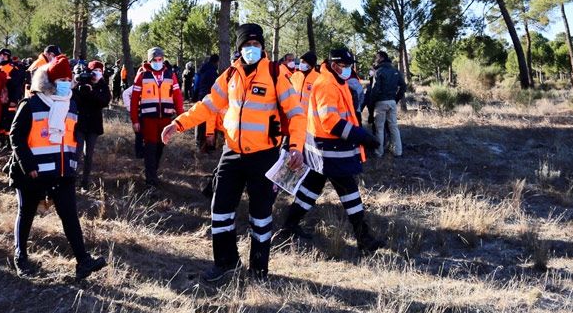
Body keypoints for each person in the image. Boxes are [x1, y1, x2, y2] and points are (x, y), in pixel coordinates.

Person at [161, 23, 306, 283]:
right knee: (220, 210)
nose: (252, 49)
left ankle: (259, 271)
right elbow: (208, 105)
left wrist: (295, 146)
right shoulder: (229, 75)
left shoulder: (276, 74)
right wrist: (178, 123)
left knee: (260, 216)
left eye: (256, 45)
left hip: (264, 155)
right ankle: (226, 263)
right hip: (232, 154)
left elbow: (295, 113)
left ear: (262, 47)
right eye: (247, 45)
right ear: (239, 48)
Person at [7, 55, 107, 280]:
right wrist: (28, 164)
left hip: (62, 172)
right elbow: (16, 136)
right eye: (60, 78)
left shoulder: (71, 103)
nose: (65, 82)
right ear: (49, 81)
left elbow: (70, 138)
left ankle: (83, 262)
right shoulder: (31, 103)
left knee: (70, 216)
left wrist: (71, 165)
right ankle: (21, 259)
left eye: (67, 78)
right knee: (26, 213)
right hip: (31, 172)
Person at [277, 49, 386, 253]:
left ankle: (289, 226)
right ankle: (364, 239)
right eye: (345, 66)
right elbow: (331, 122)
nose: (348, 70)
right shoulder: (327, 84)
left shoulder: (336, 81)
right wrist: (361, 136)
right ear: (335, 65)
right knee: (350, 193)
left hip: (326, 149)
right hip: (329, 150)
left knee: (310, 189)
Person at [130, 47, 184, 187]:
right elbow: (134, 100)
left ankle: (153, 173)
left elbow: (177, 96)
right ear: (150, 60)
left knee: (160, 147)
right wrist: (135, 120)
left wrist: (181, 117)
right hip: (148, 119)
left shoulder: (170, 74)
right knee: (150, 148)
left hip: (165, 118)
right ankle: (150, 181)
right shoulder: (142, 75)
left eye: (160, 59)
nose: (158, 62)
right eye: (155, 60)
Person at [73, 61, 111, 190]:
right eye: (94, 71)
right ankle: (72, 180)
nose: (97, 73)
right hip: (80, 124)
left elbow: (104, 101)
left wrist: (91, 92)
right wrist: (79, 86)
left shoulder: (103, 86)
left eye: (100, 71)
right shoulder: (82, 83)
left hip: (94, 125)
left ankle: (85, 182)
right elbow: (75, 100)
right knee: (76, 154)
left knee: (88, 155)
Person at [368, 51, 405, 158]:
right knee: (393, 127)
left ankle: (379, 152)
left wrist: (371, 105)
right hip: (392, 102)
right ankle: (398, 152)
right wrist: (396, 99)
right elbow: (403, 86)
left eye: (377, 57)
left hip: (380, 103)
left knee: (379, 129)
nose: (376, 59)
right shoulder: (395, 71)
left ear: (382, 58)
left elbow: (375, 90)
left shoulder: (379, 72)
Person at [192, 54, 220, 149]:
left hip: (201, 97)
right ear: (216, 62)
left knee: (199, 119)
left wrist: (195, 96)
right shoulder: (213, 72)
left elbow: (196, 84)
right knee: (210, 121)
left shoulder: (201, 70)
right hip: (210, 98)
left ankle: (198, 142)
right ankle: (209, 145)